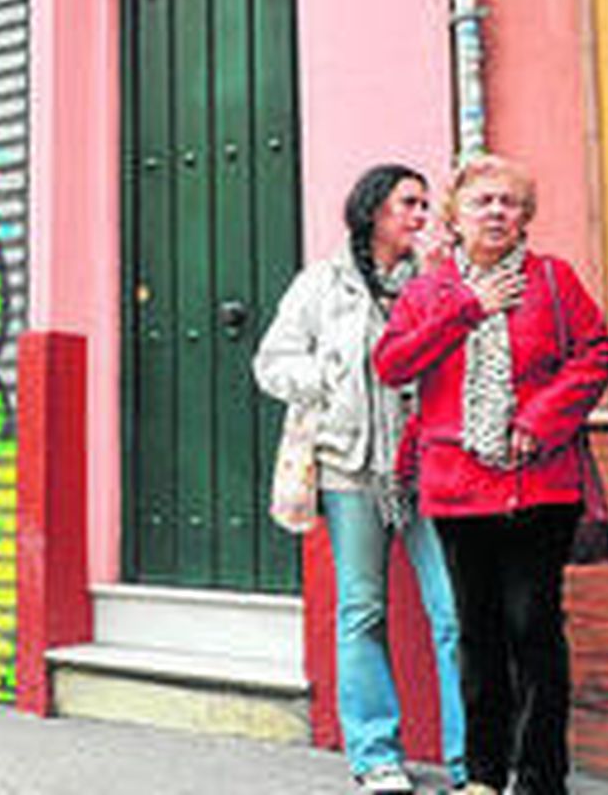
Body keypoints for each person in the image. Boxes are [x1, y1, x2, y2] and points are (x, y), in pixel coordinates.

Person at [373, 153, 608, 795]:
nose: (498, 212)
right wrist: (467, 308)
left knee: (533, 628)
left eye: (510, 202)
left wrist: (539, 419)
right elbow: (391, 364)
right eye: (483, 202)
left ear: (526, 216)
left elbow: (595, 355)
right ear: (455, 216)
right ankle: (482, 774)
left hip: (540, 484)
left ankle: (539, 778)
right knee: (476, 635)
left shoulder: (555, 281)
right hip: (457, 488)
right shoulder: (428, 291)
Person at [253, 164, 467, 795]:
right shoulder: (323, 284)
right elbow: (271, 361)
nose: (421, 215)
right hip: (351, 468)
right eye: (409, 202)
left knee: (454, 613)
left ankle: (471, 762)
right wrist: (329, 381)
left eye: (427, 204)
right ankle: (376, 756)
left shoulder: (433, 283)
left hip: (428, 471)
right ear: (374, 209)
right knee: (362, 611)